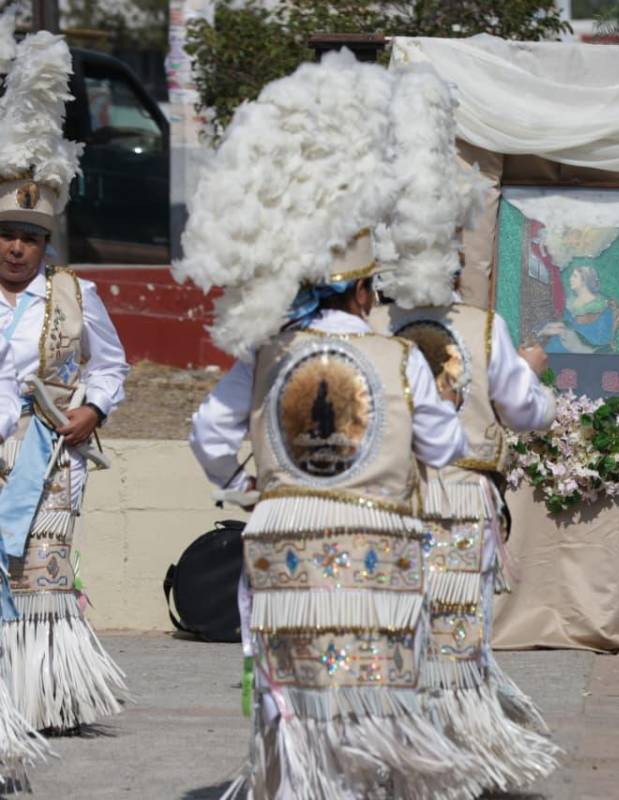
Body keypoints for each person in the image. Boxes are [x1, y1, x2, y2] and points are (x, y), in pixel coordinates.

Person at [178, 52, 491, 797]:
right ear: (363, 290)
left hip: (285, 552)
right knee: (371, 702)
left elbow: (206, 438)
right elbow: (444, 447)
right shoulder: (395, 356)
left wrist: (252, 480)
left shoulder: (264, 357)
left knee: (297, 703)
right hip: (377, 560)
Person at [367, 66, 562, 794]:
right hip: (461, 505)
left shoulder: (367, 331)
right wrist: (533, 373)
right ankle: (452, 759)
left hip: (388, 503)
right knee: (456, 638)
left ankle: (393, 753)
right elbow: (529, 413)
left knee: (393, 632)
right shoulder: (486, 330)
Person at [0, 26, 129, 735]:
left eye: (31, 236)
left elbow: (111, 367)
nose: (18, 247)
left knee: (38, 576)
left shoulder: (74, 296)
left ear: (46, 242)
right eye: (6, 234)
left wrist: (94, 412)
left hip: (46, 462)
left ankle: (39, 700)